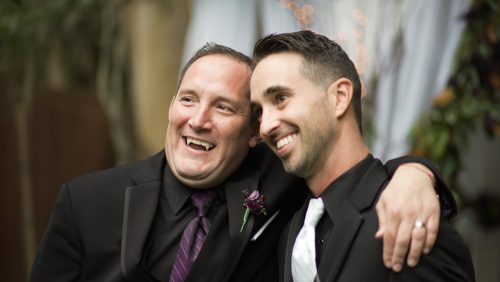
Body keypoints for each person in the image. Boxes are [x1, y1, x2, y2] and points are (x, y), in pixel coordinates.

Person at [30, 42, 453, 282]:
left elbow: (343, 167)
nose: (198, 119)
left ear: (253, 134)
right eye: (189, 99)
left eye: (224, 108)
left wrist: (415, 173)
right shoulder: (85, 202)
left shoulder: (283, 186)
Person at [250, 30, 475, 281]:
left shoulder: (410, 219)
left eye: (280, 98)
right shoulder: (288, 230)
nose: (265, 125)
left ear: (340, 97)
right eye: (259, 111)